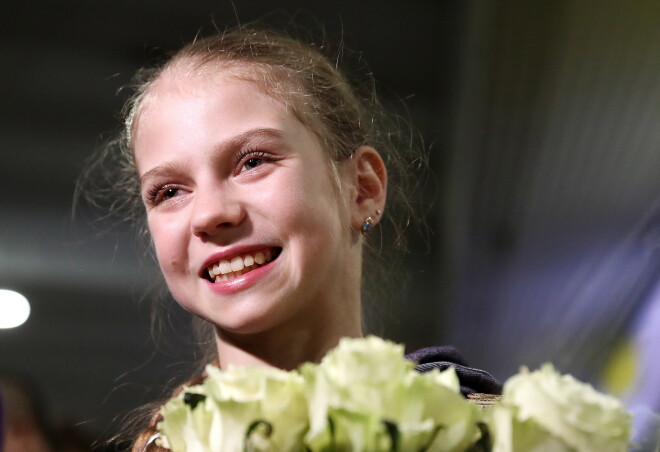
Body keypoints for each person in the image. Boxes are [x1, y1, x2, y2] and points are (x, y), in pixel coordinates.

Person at [85, 25, 501, 451]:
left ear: (362, 189)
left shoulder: (492, 434)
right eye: (169, 192)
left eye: (253, 162)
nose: (210, 213)